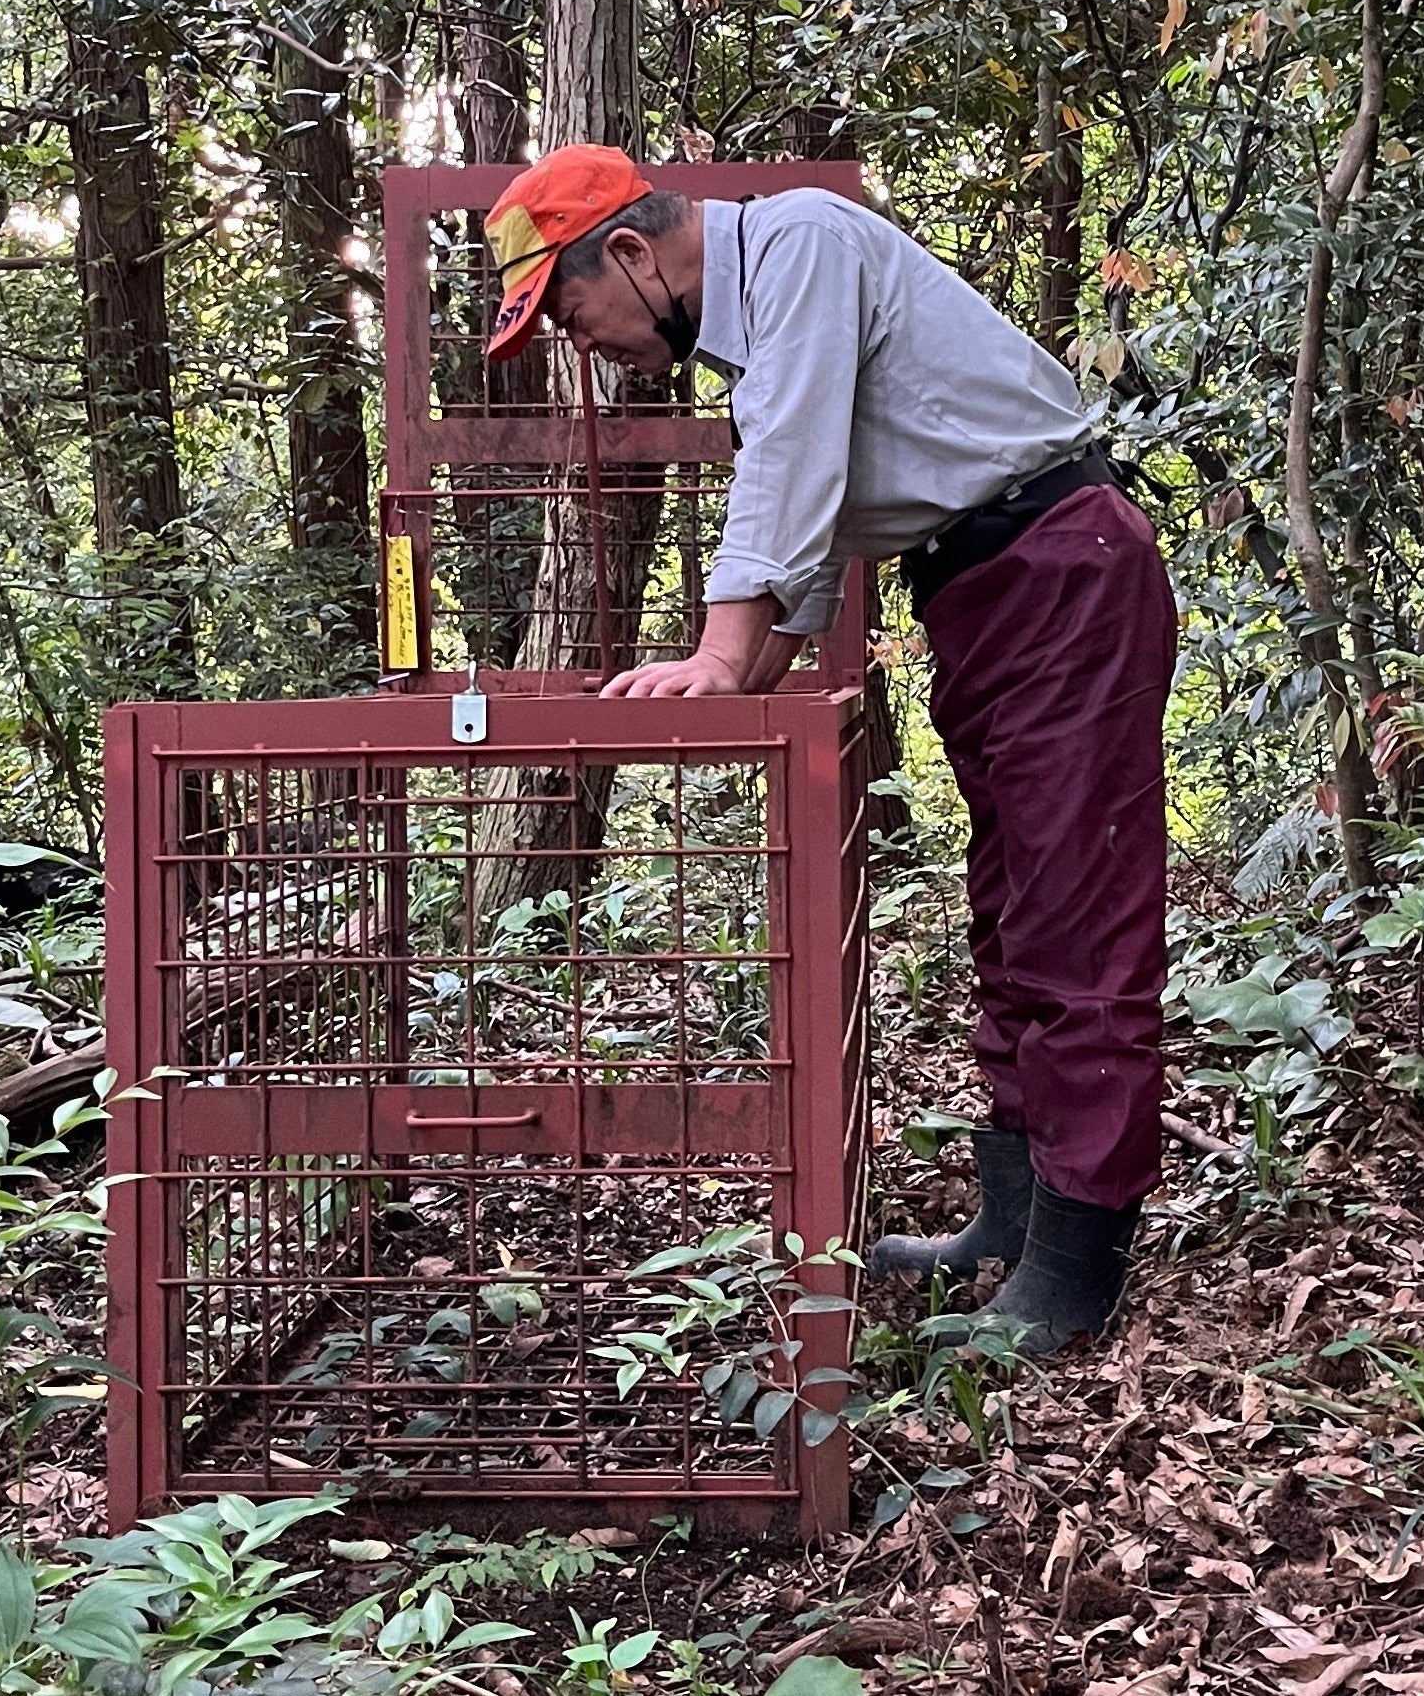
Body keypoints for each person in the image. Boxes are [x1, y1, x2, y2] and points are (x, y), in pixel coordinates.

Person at [481, 144, 1176, 1353]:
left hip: (1060, 568)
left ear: (634, 254)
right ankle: (1014, 1218)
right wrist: (742, 681)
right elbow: (815, 497)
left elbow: (792, 466)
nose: (578, 346)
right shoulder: (765, 330)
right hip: (986, 588)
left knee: (1076, 916)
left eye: (571, 312)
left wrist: (717, 650)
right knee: (1013, 908)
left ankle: (1076, 1266)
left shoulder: (798, 239)